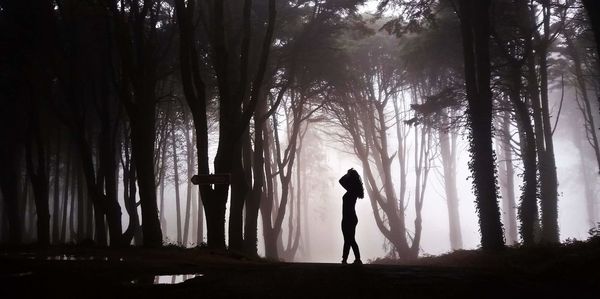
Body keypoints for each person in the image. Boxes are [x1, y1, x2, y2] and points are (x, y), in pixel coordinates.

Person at [338, 168, 364, 265]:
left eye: (349, 176)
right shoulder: (352, 190)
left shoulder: (352, 190)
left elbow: (340, 181)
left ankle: (352, 259)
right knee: (349, 239)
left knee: (350, 239)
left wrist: (348, 174)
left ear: (351, 178)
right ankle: (348, 259)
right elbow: (341, 181)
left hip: (349, 218)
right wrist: (349, 174)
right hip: (349, 217)